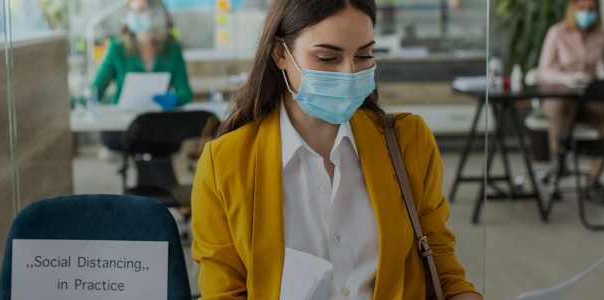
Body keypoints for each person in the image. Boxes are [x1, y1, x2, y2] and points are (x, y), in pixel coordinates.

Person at [190, 0, 481, 299]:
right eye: (327, 58)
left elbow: (441, 263)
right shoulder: (224, 164)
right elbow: (222, 290)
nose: (348, 73)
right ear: (280, 54)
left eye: (364, 55)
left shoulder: (410, 141)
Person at [537, 0, 604, 201]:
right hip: (559, 96)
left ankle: (593, 181)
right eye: (582, 9)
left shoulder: (602, 36)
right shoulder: (557, 33)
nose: (586, 13)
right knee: (561, 114)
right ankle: (557, 172)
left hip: (588, 97)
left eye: (591, 10)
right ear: (572, 9)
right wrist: (565, 78)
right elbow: (543, 71)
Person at [92, 0, 193, 152]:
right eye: (132, 11)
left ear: (156, 13)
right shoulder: (117, 48)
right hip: (123, 125)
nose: (135, 16)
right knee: (148, 146)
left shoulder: (172, 50)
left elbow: (186, 92)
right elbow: (96, 89)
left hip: (158, 123)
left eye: (142, 10)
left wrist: (175, 98)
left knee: (154, 142)